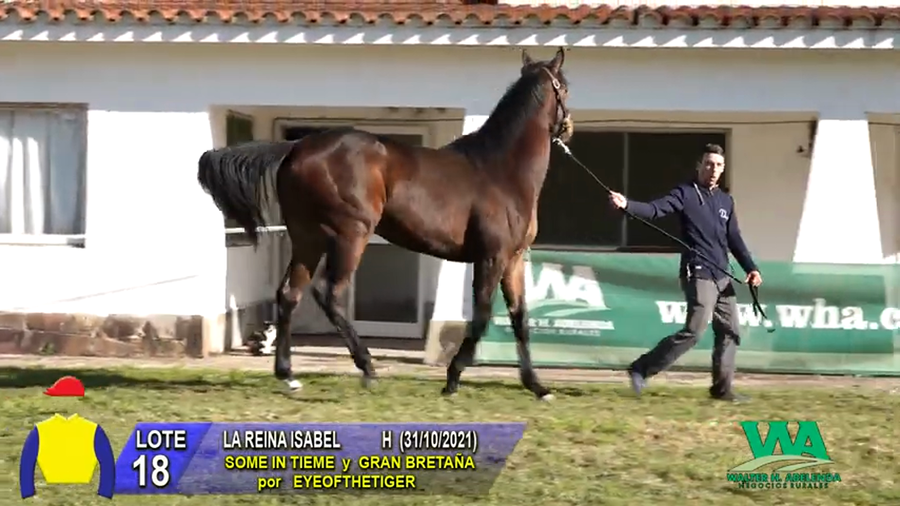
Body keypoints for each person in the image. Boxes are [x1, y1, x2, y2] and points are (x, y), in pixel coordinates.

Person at [608, 143, 762, 403]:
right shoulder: (685, 193)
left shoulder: (726, 201)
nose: (713, 169)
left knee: (730, 330)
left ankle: (722, 390)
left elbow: (734, 238)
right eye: (709, 164)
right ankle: (641, 368)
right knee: (694, 330)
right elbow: (655, 210)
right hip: (698, 272)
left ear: (723, 169)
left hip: (723, 275)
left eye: (719, 165)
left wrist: (751, 268)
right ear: (700, 166)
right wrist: (627, 206)